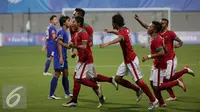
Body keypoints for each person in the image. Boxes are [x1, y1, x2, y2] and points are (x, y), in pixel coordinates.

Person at [100, 13, 158, 110]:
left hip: (131, 60)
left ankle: (153, 100)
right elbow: (119, 33)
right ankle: (138, 90)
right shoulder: (125, 29)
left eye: (112, 23)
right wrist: (111, 31)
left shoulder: (122, 33)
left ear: (115, 23)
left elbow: (120, 38)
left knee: (138, 80)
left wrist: (107, 43)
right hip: (127, 60)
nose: (111, 25)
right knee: (118, 79)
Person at [135, 14, 195, 101]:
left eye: (163, 23)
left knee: (166, 80)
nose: (161, 24)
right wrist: (138, 20)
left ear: (166, 25)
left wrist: (176, 46)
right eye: (161, 23)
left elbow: (180, 42)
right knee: (163, 80)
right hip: (161, 60)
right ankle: (171, 96)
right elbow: (147, 27)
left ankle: (183, 74)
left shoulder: (170, 33)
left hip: (170, 59)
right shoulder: (157, 33)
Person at [58, 16, 106, 108]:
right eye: (71, 22)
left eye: (74, 22)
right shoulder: (76, 33)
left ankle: (96, 87)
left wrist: (74, 47)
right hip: (82, 60)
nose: (72, 23)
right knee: (91, 79)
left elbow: (84, 47)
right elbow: (69, 46)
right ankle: (101, 98)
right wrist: (59, 41)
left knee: (78, 79)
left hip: (85, 60)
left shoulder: (83, 33)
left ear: (79, 23)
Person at [48, 15, 72, 99]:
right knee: (57, 74)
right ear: (64, 23)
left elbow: (64, 44)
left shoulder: (65, 31)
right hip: (60, 56)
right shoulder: (62, 31)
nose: (70, 22)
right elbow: (59, 44)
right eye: (68, 21)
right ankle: (51, 95)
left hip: (64, 56)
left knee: (65, 73)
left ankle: (67, 93)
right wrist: (61, 57)